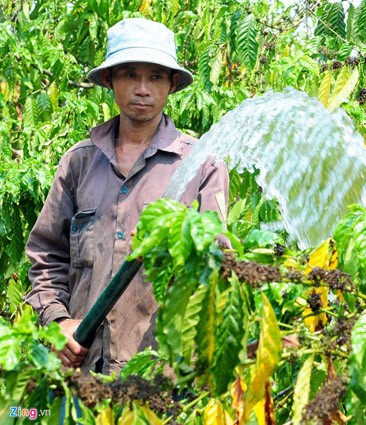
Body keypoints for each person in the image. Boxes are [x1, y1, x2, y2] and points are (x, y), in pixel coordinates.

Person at [25, 18, 229, 374]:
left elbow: (219, 262)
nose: (142, 89)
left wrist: (176, 238)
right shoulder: (78, 163)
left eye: (155, 77)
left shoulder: (202, 165)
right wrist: (59, 322)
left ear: (172, 84)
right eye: (130, 75)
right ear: (109, 80)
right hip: (84, 372)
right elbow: (46, 256)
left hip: (162, 378)